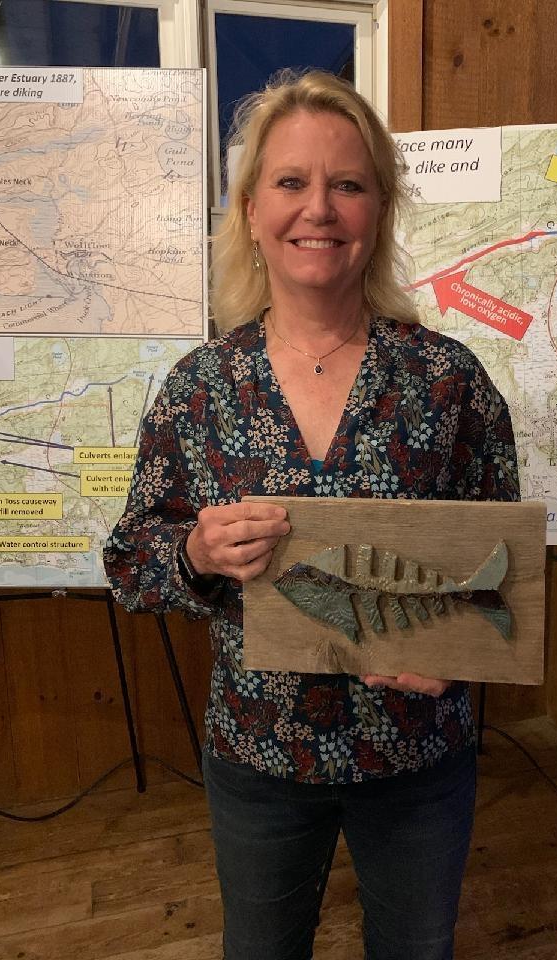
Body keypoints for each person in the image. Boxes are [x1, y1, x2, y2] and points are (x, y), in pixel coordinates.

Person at [104, 69, 519, 960]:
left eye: (349, 184)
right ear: (252, 209)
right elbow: (130, 559)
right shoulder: (200, 387)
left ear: (380, 209)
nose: (319, 209)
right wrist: (196, 553)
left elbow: (507, 569)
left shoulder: (448, 380)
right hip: (259, 757)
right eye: (292, 181)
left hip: (418, 755)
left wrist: (458, 655)